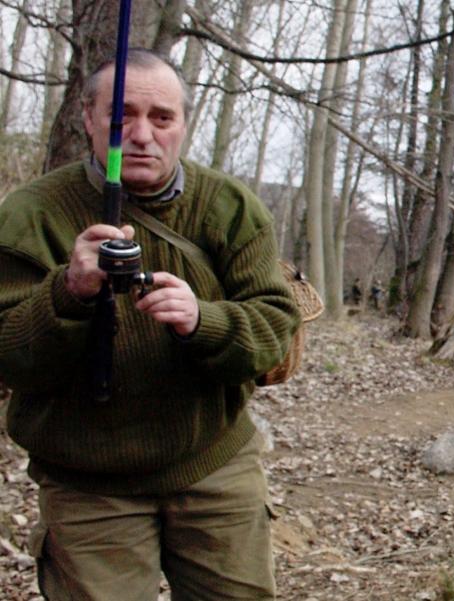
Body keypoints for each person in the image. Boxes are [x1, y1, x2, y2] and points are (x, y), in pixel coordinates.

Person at [0, 49, 300, 600]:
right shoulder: (30, 215)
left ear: (183, 124)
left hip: (213, 466)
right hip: (87, 489)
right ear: (87, 118)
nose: (140, 135)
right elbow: (8, 356)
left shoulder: (231, 209)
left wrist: (202, 322)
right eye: (120, 118)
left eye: (161, 118)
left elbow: (273, 329)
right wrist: (69, 293)